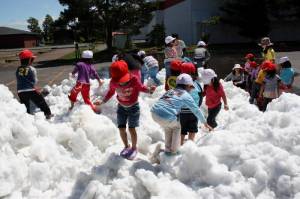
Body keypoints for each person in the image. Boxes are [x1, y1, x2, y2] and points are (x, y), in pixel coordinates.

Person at [97, 60, 156, 160]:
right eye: (120, 80)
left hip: (133, 107)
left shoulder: (133, 79)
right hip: (121, 108)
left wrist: (149, 90)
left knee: (131, 129)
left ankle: (134, 148)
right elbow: (110, 92)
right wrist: (103, 101)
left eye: (123, 79)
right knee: (121, 128)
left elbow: (141, 87)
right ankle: (126, 146)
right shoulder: (113, 82)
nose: (122, 82)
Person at [151, 73, 211, 155]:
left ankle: (167, 150)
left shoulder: (170, 91)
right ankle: (174, 151)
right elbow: (196, 109)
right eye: (191, 87)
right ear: (187, 86)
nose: (191, 89)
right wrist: (205, 122)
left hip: (155, 112)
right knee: (177, 127)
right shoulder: (185, 95)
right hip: (166, 115)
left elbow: (162, 101)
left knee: (168, 127)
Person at [16, 49, 52, 119]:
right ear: (30, 60)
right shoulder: (31, 69)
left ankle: (26, 118)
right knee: (40, 101)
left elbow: (19, 79)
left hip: (20, 91)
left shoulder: (18, 69)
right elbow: (35, 80)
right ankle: (48, 113)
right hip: (31, 89)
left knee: (25, 105)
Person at [179, 63, 204, 145]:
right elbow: (201, 96)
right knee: (192, 128)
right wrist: (197, 107)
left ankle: (181, 143)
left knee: (182, 129)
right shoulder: (197, 84)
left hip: (182, 112)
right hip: (193, 111)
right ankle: (190, 143)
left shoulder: (180, 85)